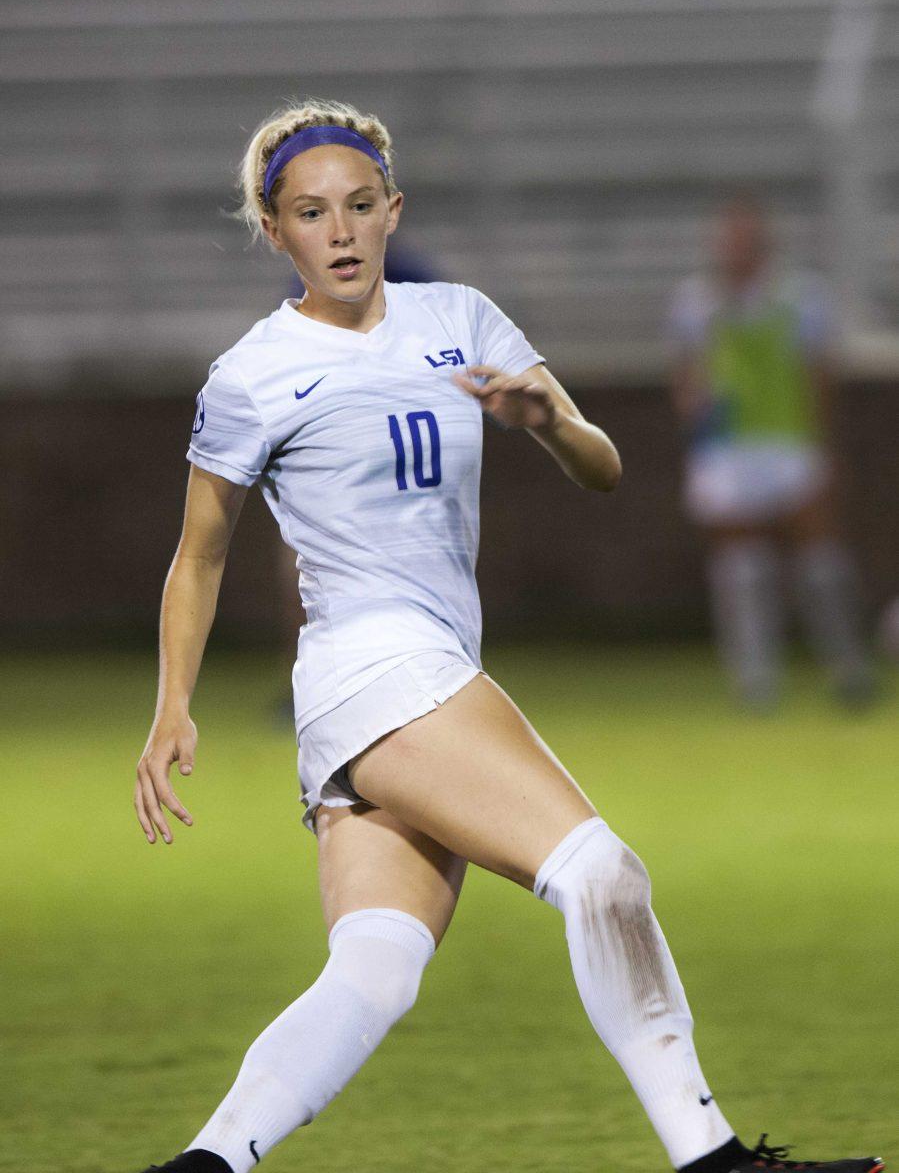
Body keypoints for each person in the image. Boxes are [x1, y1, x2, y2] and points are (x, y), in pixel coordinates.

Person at [134, 100, 884, 1173]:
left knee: (373, 969)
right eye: (309, 213)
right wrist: (172, 708)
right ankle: (710, 1158)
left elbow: (603, 467)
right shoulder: (251, 374)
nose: (338, 231)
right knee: (601, 873)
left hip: (411, 676)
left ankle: (201, 1166)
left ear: (393, 210)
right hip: (374, 664)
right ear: (275, 231)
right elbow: (198, 555)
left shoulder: (463, 318)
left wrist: (549, 423)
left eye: (357, 206)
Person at [669, 196, 874, 709]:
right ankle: (755, 680)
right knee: (741, 564)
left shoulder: (801, 297)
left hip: (787, 441)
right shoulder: (695, 302)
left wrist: (823, 444)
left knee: (819, 560)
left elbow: (818, 375)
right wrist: (694, 409)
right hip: (726, 447)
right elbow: (687, 376)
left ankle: (848, 666)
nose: (732, 249)